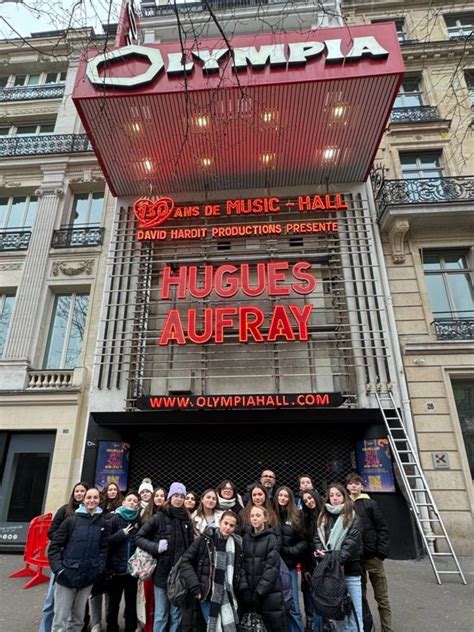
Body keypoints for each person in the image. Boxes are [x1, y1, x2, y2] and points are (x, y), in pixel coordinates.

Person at [135, 481, 194, 632]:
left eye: (182, 496)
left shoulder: (186, 519)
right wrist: (156, 547)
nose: (179, 499)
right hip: (161, 573)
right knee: (161, 614)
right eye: (176, 495)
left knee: (176, 614)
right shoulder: (158, 517)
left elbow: (190, 544)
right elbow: (139, 537)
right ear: (170, 496)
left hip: (179, 575)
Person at [48, 488, 108, 632]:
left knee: (77, 620)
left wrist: (98, 568)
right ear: (84, 499)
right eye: (89, 497)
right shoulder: (71, 521)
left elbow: (103, 548)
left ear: (99, 500)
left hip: (87, 578)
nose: (92, 500)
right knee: (60, 622)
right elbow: (54, 546)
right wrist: (59, 570)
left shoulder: (102, 523)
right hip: (67, 576)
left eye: (95, 497)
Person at [39, 482, 89, 632]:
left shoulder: (90, 513)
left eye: (82, 491)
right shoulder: (64, 510)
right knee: (51, 600)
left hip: (79, 562)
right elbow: (52, 532)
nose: (79, 494)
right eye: (77, 491)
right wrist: (67, 541)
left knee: (74, 603)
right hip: (62, 559)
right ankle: (45, 628)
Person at [180, 510, 243, 631]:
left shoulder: (237, 544)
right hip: (207, 594)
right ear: (220, 522)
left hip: (229, 596)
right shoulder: (205, 539)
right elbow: (185, 561)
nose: (228, 527)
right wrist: (195, 587)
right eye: (226, 523)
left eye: (231, 525)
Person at [313, 483, 363, 632]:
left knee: (354, 614)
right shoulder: (323, 517)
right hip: (331, 574)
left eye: (338, 495)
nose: (335, 498)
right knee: (337, 613)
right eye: (332, 495)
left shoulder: (353, 517)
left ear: (344, 497)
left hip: (349, 572)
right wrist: (318, 551)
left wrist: (327, 558)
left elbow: (350, 547)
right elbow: (317, 539)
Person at [346, 473, 393, 632]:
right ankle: (366, 626)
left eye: (356, 483)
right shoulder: (346, 505)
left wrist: (381, 552)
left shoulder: (370, 504)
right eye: (351, 483)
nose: (353, 486)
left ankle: (387, 628)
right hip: (356, 558)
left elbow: (382, 527)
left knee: (382, 597)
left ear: (361, 486)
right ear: (347, 486)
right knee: (360, 596)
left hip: (373, 556)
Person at [240, 506, 288, 632]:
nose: (254, 518)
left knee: (273, 625)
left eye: (258, 515)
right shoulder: (245, 538)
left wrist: (259, 591)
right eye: (252, 516)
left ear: (265, 518)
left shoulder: (272, 538)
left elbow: (271, 567)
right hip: (249, 591)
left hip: (269, 593)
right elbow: (242, 564)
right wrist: (244, 588)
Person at [106, 490, 142, 632]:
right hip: (116, 569)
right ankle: (111, 627)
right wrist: (121, 534)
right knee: (114, 603)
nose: (132, 503)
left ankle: (130, 627)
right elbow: (107, 541)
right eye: (130, 500)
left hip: (132, 570)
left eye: (135, 501)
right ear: (123, 502)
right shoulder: (114, 519)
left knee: (131, 602)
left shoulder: (138, 520)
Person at [274, 486, 306, 632]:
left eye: (286, 496)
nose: (283, 498)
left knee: (293, 604)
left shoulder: (296, 516)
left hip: (289, 566)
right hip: (273, 565)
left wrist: (289, 551)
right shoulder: (270, 514)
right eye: (280, 495)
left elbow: (304, 541)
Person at [301, 491, 324, 632]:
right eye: (305, 500)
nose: (309, 501)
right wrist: (304, 568)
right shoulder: (306, 519)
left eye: (310, 498)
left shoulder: (327, 513)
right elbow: (305, 544)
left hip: (327, 561)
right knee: (312, 595)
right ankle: (315, 626)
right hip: (311, 563)